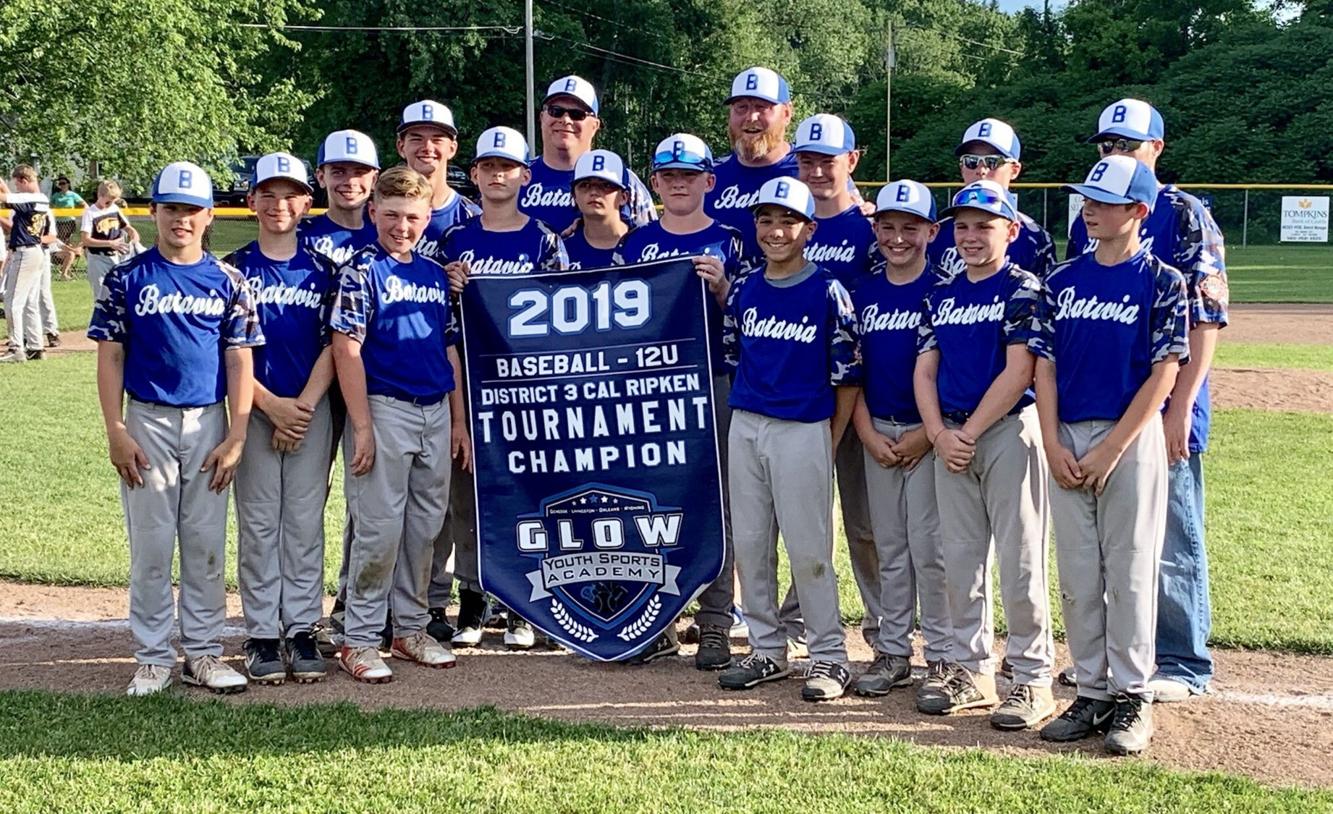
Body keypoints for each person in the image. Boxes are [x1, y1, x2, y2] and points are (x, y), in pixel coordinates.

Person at [1068, 99, 1229, 703]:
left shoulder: (1183, 214)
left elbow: (1205, 318)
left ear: (1156, 149)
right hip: (1103, 404)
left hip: (1166, 400)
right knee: (1109, 545)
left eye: (1128, 144)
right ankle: (1117, 657)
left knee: (1171, 537)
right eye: (1107, 144)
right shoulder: (1091, 215)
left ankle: (1183, 661)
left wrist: (1180, 407)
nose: (1115, 153)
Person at [87, 160, 263, 696]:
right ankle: (153, 657)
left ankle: (204, 653)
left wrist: (237, 434)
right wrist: (116, 428)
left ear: (210, 216)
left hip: (208, 420)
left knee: (206, 543)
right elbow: (111, 355)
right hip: (148, 419)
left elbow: (239, 360)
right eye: (170, 209)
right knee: (152, 544)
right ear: (153, 212)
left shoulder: (228, 280)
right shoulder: (126, 277)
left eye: (191, 210)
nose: (180, 219)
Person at [1032, 155, 1189, 756]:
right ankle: (1092, 690)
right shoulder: (1062, 280)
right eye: (1088, 200)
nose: (1089, 209)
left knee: (1128, 570)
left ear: (1139, 211)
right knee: (1077, 574)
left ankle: (1132, 694)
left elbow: (1165, 373)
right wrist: (1051, 441)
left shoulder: (1162, 280)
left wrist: (1113, 448)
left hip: (1130, 437)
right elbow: (1044, 367)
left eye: (1104, 202)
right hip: (1067, 435)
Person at [913, 180, 1056, 730]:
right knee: (960, 561)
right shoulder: (942, 294)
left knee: (1021, 560)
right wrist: (938, 433)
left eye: (984, 226)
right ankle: (972, 670)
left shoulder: (1023, 288)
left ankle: (1032, 677)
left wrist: (966, 432)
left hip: (1005, 432)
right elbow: (925, 371)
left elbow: (1020, 371)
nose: (971, 236)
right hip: (950, 436)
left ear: (1011, 231)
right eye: (963, 227)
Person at [717, 177, 861, 702]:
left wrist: (828, 437)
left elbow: (848, 376)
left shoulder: (827, 290)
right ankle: (766, 648)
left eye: (789, 221)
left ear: (809, 229)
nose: (776, 231)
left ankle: (829, 655)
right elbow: (735, 357)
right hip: (748, 422)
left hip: (803, 427)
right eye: (767, 220)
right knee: (752, 545)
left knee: (809, 550)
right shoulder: (745, 288)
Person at [329, 165, 471, 683]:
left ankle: (410, 627)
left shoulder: (433, 273)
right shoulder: (361, 270)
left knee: (425, 527)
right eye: (391, 215)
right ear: (373, 212)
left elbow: (449, 348)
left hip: (435, 408)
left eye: (412, 217)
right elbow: (346, 347)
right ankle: (361, 636)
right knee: (379, 527)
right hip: (385, 405)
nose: (401, 226)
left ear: (427, 217)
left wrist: (458, 420)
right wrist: (362, 425)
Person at [614, 132, 748, 669]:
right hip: (650, 385)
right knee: (653, 500)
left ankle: (716, 619)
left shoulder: (730, 239)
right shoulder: (636, 243)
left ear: (708, 181)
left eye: (688, 176)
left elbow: (755, 316)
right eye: (668, 176)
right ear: (654, 182)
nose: (678, 184)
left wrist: (723, 290)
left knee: (719, 502)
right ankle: (659, 620)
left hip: (713, 379)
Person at [442, 126, 568, 650]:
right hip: (471, 381)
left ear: (525, 175)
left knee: (527, 493)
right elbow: (443, 322)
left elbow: (563, 319)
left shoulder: (544, 240)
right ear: (474, 174)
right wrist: (449, 284)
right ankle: (473, 598)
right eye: (489, 166)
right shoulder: (454, 240)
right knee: (469, 496)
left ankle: (525, 602)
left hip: (527, 387)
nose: (498, 175)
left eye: (508, 167)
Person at [224, 153, 339, 685]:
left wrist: (305, 406)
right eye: (267, 195)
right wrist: (270, 405)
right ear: (251, 201)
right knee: (259, 522)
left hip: (310, 409)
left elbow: (335, 343)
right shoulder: (232, 269)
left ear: (306, 202)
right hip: (254, 409)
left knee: (304, 521)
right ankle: (262, 632)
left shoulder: (324, 270)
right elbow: (228, 351)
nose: (278, 205)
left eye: (289, 195)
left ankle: (301, 627)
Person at [850, 180, 952, 701]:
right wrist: (866, 431)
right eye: (887, 226)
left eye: (910, 227)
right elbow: (849, 373)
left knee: (931, 550)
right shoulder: (861, 291)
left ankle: (941, 654)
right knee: (889, 547)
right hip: (879, 431)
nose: (897, 237)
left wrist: (926, 435)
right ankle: (892, 651)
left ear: (932, 232)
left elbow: (952, 373)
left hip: (928, 434)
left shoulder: (945, 290)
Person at [793, 113, 882, 649]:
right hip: (800, 392)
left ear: (851, 160)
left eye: (827, 161)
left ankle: (883, 629)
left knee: (864, 523)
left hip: (861, 392)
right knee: (798, 519)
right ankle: (794, 620)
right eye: (806, 161)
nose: (817, 171)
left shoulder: (872, 229)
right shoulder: (790, 221)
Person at [520, 75, 656, 232]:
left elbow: (651, 240)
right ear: (542, 117)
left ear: (595, 125)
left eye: (577, 114)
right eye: (556, 111)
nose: (565, 120)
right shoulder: (517, 177)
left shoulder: (621, 180)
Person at [927, 119, 1055, 281]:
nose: (981, 170)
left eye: (993, 161)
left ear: (1014, 170)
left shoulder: (1034, 237)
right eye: (971, 161)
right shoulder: (937, 233)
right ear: (961, 168)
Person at [706, 67, 797, 264]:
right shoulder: (709, 176)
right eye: (741, 107)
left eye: (761, 107)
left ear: (787, 113)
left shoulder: (810, 172)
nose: (751, 117)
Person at [394, 100, 482, 263]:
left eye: (437, 139)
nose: (427, 147)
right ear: (401, 147)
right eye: (417, 139)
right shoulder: (381, 213)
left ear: (452, 148)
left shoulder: (472, 216)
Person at [0, 165, 56, 363]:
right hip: (36, 252)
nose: (16, 187)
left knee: (12, 302)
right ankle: (35, 346)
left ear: (24, 180)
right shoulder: (42, 199)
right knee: (30, 301)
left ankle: (16, 348)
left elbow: (4, 197)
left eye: (18, 183)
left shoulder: (29, 198)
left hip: (25, 253)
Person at [302, 129, 380, 266]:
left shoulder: (387, 234)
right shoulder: (299, 236)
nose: (350, 182)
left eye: (360, 172)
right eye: (338, 172)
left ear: (374, 179)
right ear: (321, 177)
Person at [563, 149, 630, 269]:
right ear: (574, 195)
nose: (594, 192)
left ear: (624, 197)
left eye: (606, 185)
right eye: (585, 185)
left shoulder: (645, 244)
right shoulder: (562, 251)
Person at [81, 180, 140, 298]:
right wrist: (110, 243)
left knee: (120, 293)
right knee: (102, 296)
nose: (110, 204)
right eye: (108, 201)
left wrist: (134, 236)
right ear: (99, 195)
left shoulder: (114, 209)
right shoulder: (90, 213)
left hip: (116, 257)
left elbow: (127, 227)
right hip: (98, 259)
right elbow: (85, 239)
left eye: (114, 201)